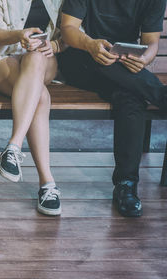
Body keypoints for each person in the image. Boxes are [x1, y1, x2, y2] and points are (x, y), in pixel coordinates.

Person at [58, 0, 167, 217]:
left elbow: (151, 41)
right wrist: (90, 44)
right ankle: (162, 96)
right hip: (81, 59)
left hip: (125, 70)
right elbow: (68, 29)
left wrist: (144, 59)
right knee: (123, 79)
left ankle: (126, 185)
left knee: (131, 98)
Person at [0, 0, 65, 215]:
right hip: (1, 59)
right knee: (39, 95)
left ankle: (13, 146)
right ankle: (47, 183)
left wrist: (55, 45)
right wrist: (19, 35)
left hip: (43, 60)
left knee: (36, 57)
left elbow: (70, 31)